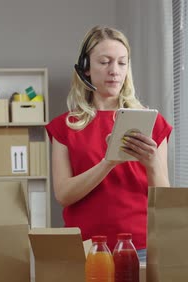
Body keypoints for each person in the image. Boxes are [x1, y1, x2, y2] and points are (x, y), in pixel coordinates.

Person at [45, 26, 172, 262]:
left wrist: (153, 163)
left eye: (122, 63)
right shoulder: (65, 127)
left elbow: (164, 201)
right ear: (85, 68)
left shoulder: (152, 122)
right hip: (85, 248)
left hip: (141, 247)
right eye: (105, 62)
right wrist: (108, 162)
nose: (114, 71)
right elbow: (63, 194)